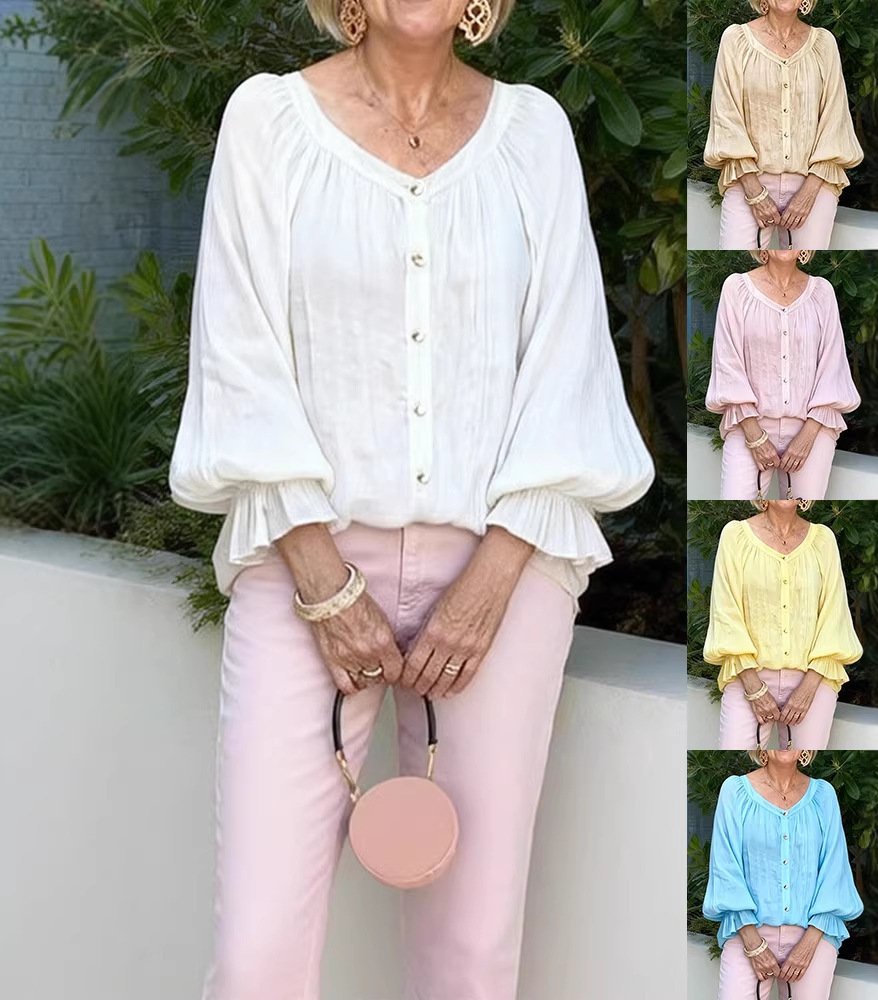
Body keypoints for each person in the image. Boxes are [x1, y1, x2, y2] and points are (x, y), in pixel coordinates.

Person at [167, 0, 654, 997]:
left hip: (502, 570)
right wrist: (322, 583)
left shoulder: (534, 135)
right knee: (259, 951)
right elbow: (239, 354)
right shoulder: (267, 123)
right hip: (305, 561)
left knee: (470, 950)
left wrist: (492, 581)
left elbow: (565, 362)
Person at [704, 0, 863, 250]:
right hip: (748, 181)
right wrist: (755, 193)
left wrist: (808, 193)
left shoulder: (824, 44)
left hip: (814, 183)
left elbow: (835, 119)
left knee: (804, 261)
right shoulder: (735, 40)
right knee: (740, 256)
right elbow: (726, 117)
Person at [703, 754, 864, 999]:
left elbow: (835, 870)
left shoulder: (824, 795)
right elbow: (725, 867)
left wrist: (808, 944)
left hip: (813, 934)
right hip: (747, 932)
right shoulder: (735, 791)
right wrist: (753, 944)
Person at [705, 249, 860, 501]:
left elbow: (833, 365)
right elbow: (728, 363)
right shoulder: (736, 288)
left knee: (800, 510)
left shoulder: (822, 292)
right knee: (738, 502)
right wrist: (754, 436)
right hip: (748, 424)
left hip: (813, 427)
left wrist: (807, 436)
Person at [703, 509, 862, 750]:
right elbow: (725, 612)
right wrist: (754, 688)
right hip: (748, 675)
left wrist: (808, 688)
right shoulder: (735, 535)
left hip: (814, 678)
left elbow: (834, 615)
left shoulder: (823, 539)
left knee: (802, 763)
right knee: (736, 755)